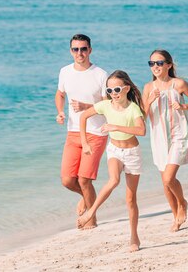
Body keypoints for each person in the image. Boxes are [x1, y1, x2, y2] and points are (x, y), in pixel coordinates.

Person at [77, 70, 146, 252]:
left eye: (116, 89)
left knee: (130, 199)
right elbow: (83, 116)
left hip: (132, 153)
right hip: (114, 149)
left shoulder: (133, 108)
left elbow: (141, 130)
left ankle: (134, 236)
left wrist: (115, 126)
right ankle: (91, 211)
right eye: (109, 90)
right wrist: (85, 142)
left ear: (126, 88)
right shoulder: (105, 105)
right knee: (113, 180)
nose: (113, 94)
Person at [142, 49, 188, 232]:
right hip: (159, 138)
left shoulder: (179, 84)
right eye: (152, 63)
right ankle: (175, 215)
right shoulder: (148, 88)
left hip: (178, 134)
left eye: (159, 63)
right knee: (165, 182)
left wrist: (183, 105)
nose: (155, 67)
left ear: (169, 65)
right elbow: (141, 117)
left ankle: (182, 203)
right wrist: (149, 101)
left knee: (169, 178)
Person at [55, 34, 109, 230]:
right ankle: (86, 199)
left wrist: (87, 105)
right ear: (71, 51)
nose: (80, 53)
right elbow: (60, 94)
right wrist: (60, 112)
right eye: (76, 49)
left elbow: (108, 104)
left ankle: (91, 219)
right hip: (73, 131)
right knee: (68, 180)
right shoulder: (65, 72)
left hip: (96, 132)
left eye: (84, 49)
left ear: (90, 50)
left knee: (85, 179)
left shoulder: (100, 74)